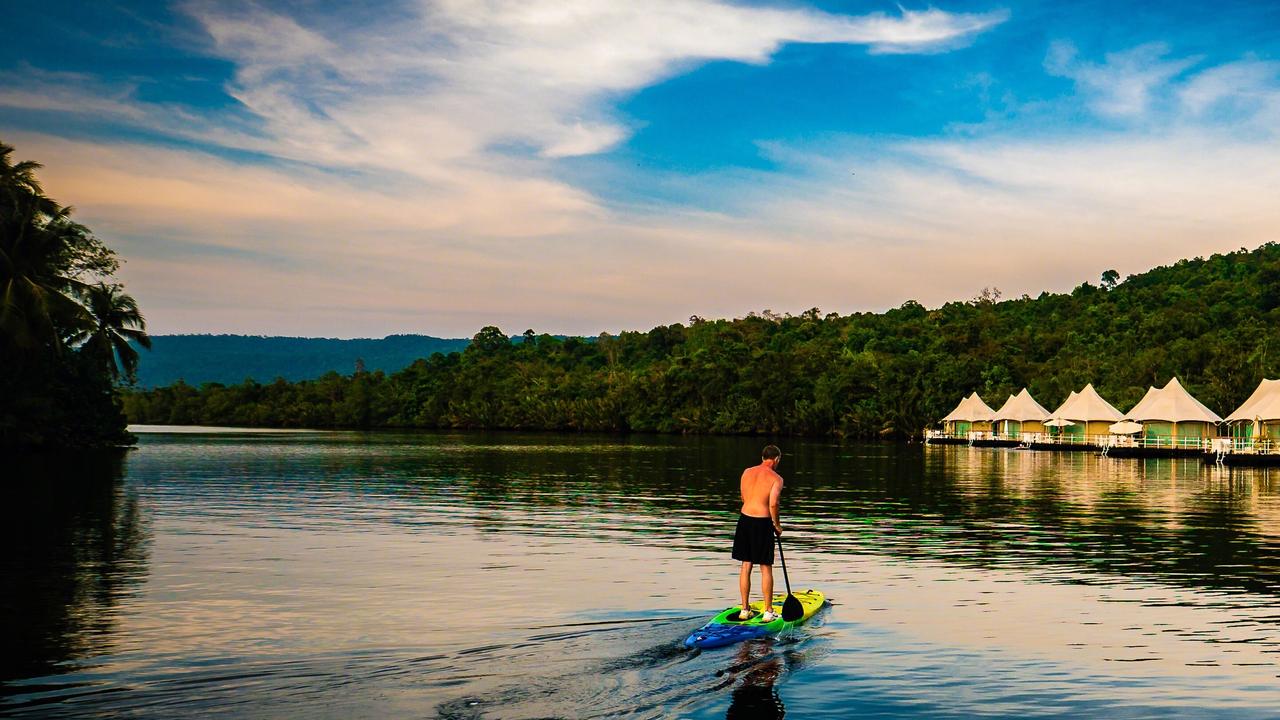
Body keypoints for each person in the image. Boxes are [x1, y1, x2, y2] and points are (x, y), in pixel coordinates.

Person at [732, 445, 783, 621]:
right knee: (765, 566)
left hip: (745, 519)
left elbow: (743, 498)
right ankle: (768, 611)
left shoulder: (746, 472)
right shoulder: (776, 478)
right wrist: (777, 525)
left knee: (746, 565)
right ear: (776, 459)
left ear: (763, 457)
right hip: (762, 522)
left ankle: (744, 610)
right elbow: (773, 504)